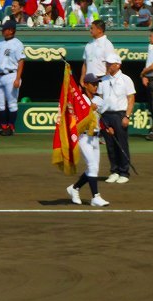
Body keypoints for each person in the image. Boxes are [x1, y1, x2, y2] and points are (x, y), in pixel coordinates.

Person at [64, 73, 109, 207]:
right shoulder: (80, 100)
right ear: (85, 84)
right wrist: (90, 109)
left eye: (96, 84)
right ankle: (95, 197)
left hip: (95, 137)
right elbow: (78, 120)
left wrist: (106, 128)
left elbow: (99, 118)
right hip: (83, 137)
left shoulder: (99, 100)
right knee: (92, 166)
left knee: (93, 169)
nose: (95, 86)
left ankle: (74, 188)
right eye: (93, 84)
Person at [97, 53, 135, 185]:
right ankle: (114, 171)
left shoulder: (126, 79)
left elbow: (131, 99)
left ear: (117, 65)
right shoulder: (103, 80)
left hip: (120, 114)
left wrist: (127, 116)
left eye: (110, 64)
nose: (107, 66)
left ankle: (124, 172)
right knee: (110, 144)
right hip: (106, 115)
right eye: (106, 63)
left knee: (122, 144)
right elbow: (100, 98)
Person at [0, 21, 24, 136]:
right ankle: (3, 127)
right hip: (0, 75)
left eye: (5, 29)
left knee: (12, 103)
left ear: (11, 30)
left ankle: (11, 127)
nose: (2, 30)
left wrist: (18, 78)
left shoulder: (17, 44)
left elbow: (21, 61)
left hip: (11, 74)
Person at [81, 19, 114, 86]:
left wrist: (106, 81)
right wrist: (82, 78)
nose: (90, 30)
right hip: (88, 80)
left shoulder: (107, 44)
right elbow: (85, 63)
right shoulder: (88, 44)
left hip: (101, 79)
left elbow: (110, 64)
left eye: (92, 28)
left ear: (99, 30)